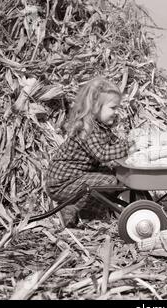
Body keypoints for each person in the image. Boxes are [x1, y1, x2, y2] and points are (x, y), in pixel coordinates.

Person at [46, 77, 135, 228]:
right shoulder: (87, 129)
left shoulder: (100, 127)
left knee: (113, 173)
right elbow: (102, 154)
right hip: (62, 184)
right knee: (109, 182)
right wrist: (129, 146)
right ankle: (72, 209)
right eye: (113, 108)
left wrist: (133, 145)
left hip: (76, 177)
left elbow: (115, 145)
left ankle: (91, 214)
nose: (116, 112)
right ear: (95, 107)